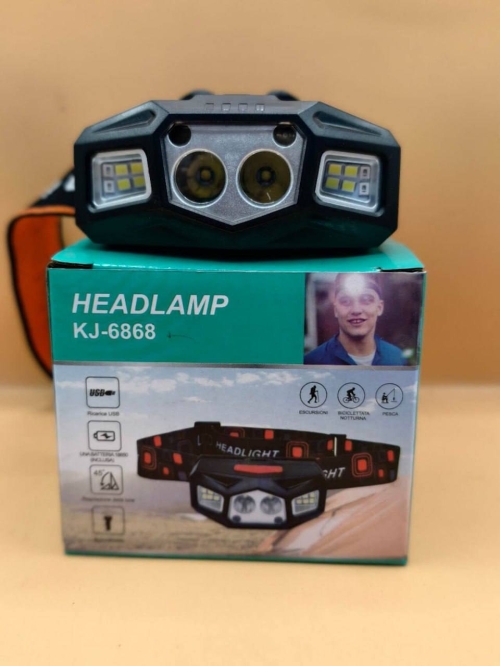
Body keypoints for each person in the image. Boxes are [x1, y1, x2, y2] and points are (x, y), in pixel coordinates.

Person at [304, 273, 407, 366]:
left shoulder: (397, 359)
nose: (356, 310)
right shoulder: (312, 363)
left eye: (366, 300)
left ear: (379, 308)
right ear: (335, 310)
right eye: (345, 301)